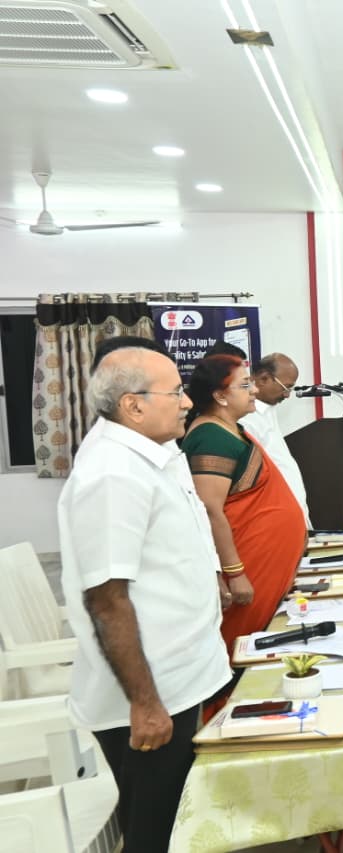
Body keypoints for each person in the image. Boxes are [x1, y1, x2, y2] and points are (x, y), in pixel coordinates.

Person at [59, 347, 231, 851]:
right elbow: (107, 599)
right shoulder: (112, 473)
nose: (187, 401)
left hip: (178, 677)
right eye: (175, 392)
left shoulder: (152, 450)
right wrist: (146, 703)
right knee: (155, 833)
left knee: (181, 822)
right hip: (153, 694)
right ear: (133, 405)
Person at [183, 354, 308, 655]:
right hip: (245, 565)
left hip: (263, 562)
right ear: (220, 396)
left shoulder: (231, 428)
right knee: (242, 649)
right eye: (244, 385)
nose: (253, 390)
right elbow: (209, 510)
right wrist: (235, 573)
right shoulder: (210, 437)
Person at [240, 352, 311, 528]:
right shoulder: (246, 419)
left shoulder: (268, 410)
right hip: (273, 519)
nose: (287, 395)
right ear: (263, 379)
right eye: (286, 387)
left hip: (292, 516)